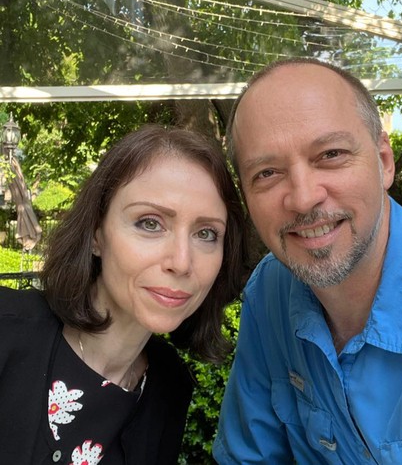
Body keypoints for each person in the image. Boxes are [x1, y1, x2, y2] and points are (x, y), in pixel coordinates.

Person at [213, 58, 402, 464]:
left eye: (330, 154)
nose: (303, 198)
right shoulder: (270, 294)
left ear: (384, 161)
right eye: (267, 173)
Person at [0, 124, 246, 464]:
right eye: (150, 223)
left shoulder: (169, 387)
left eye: (206, 233)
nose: (181, 262)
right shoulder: (7, 330)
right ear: (96, 233)